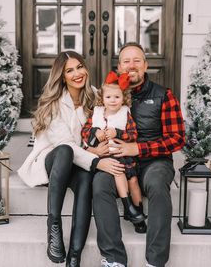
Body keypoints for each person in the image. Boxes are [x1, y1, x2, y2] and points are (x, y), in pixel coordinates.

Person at [18, 51, 125, 267]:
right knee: (67, 151)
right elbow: (64, 143)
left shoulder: (96, 96)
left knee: (86, 180)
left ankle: (74, 257)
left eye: (79, 67)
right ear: (62, 76)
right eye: (69, 70)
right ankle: (54, 224)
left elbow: (106, 124)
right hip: (54, 160)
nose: (77, 73)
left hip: (80, 162)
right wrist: (96, 158)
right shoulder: (53, 103)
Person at [92, 42, 185, 267]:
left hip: (154, 161)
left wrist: (138, 148)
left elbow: (177, 138)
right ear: (119, 66)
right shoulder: (108, 95)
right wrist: (95, 148)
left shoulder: (164, 95)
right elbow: (91, 126)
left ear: (145, 65)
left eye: (136, 60)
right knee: (100, 183)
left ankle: (155, 261)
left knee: (156, 183)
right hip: (118, 161)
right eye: (126, 61)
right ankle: (114, 259)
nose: (131, 65)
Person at [81, 71, 146, 225]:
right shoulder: (96, 113)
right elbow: (84, 132)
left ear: (123, 98)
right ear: (102, 98)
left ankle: (138, 214)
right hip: (105, 155)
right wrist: (94, 132)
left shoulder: (125, 113)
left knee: (134, 181)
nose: (112, 100)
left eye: (117, 97)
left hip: (123, 154)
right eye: (108, 97)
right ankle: (127, 206)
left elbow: (133, 134)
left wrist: (117, 133)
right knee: (118, 171)